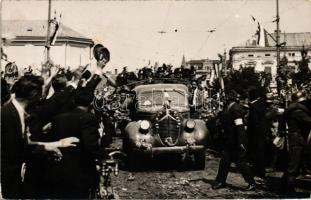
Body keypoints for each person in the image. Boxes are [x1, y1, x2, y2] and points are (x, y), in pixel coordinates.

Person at [212, 90, 256, 190]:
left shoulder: (235, 108)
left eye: (226, 98)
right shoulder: (228, 107)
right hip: (229, 140)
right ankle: (220, 181)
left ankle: (252, 183)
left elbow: (239, 127)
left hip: (236, 141)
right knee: (224, 161)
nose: (224, 99)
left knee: (240, 162)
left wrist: (241, 142)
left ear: (230, 98)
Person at [283, 91, 311, 192]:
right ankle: (288, 188)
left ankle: (285, 185)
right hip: (297, 139)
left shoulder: (292, 109)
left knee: (294, 163)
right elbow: (309, 122)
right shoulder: (298, 111)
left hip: (295, 138)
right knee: (294, 164)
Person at [247, 88, 269, 178]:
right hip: (263, 131)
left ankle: (257, 170)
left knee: (256, 152)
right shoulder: (262, 103)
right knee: (261, 151)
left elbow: (254, 121)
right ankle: (261, 170)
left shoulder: (253, 106)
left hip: (256, 132)